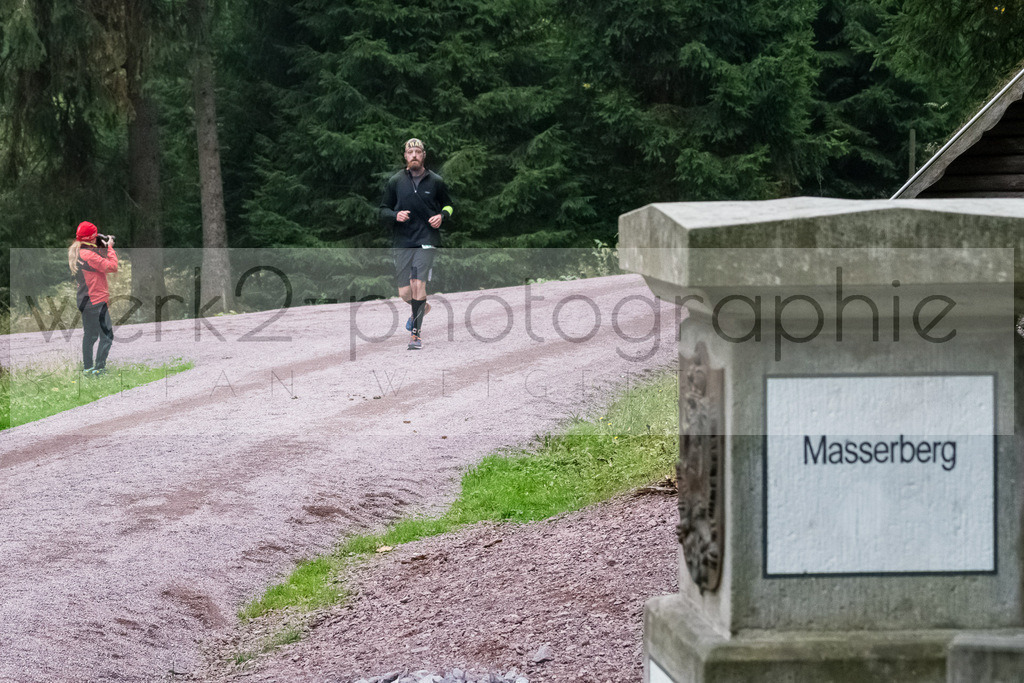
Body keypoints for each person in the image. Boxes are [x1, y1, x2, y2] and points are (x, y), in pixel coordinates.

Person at [379, 138, 453, 350]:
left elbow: (449, 205)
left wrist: (442, 216)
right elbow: (383, 209)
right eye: (410, 152)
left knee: (418, 284)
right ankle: (422, 307)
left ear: (423, 155)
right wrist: (395, 215)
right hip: (403, 240)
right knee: (404, 293)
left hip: (427, 240)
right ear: (405, 156)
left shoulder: (436, 181)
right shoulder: (395, 181)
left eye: (417, 152)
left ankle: (415, 335)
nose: (413, 155)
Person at [68, 221, 118, 375]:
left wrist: (101, 247)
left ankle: (88, 368)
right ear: (91, 238)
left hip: (84, 300)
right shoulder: (89, 255)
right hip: (96, 301)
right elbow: (112, 266)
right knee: (107, 336)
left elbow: (94, 266)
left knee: (90, 335)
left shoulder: (77, 251)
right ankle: (99, 369)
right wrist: (109, 247)